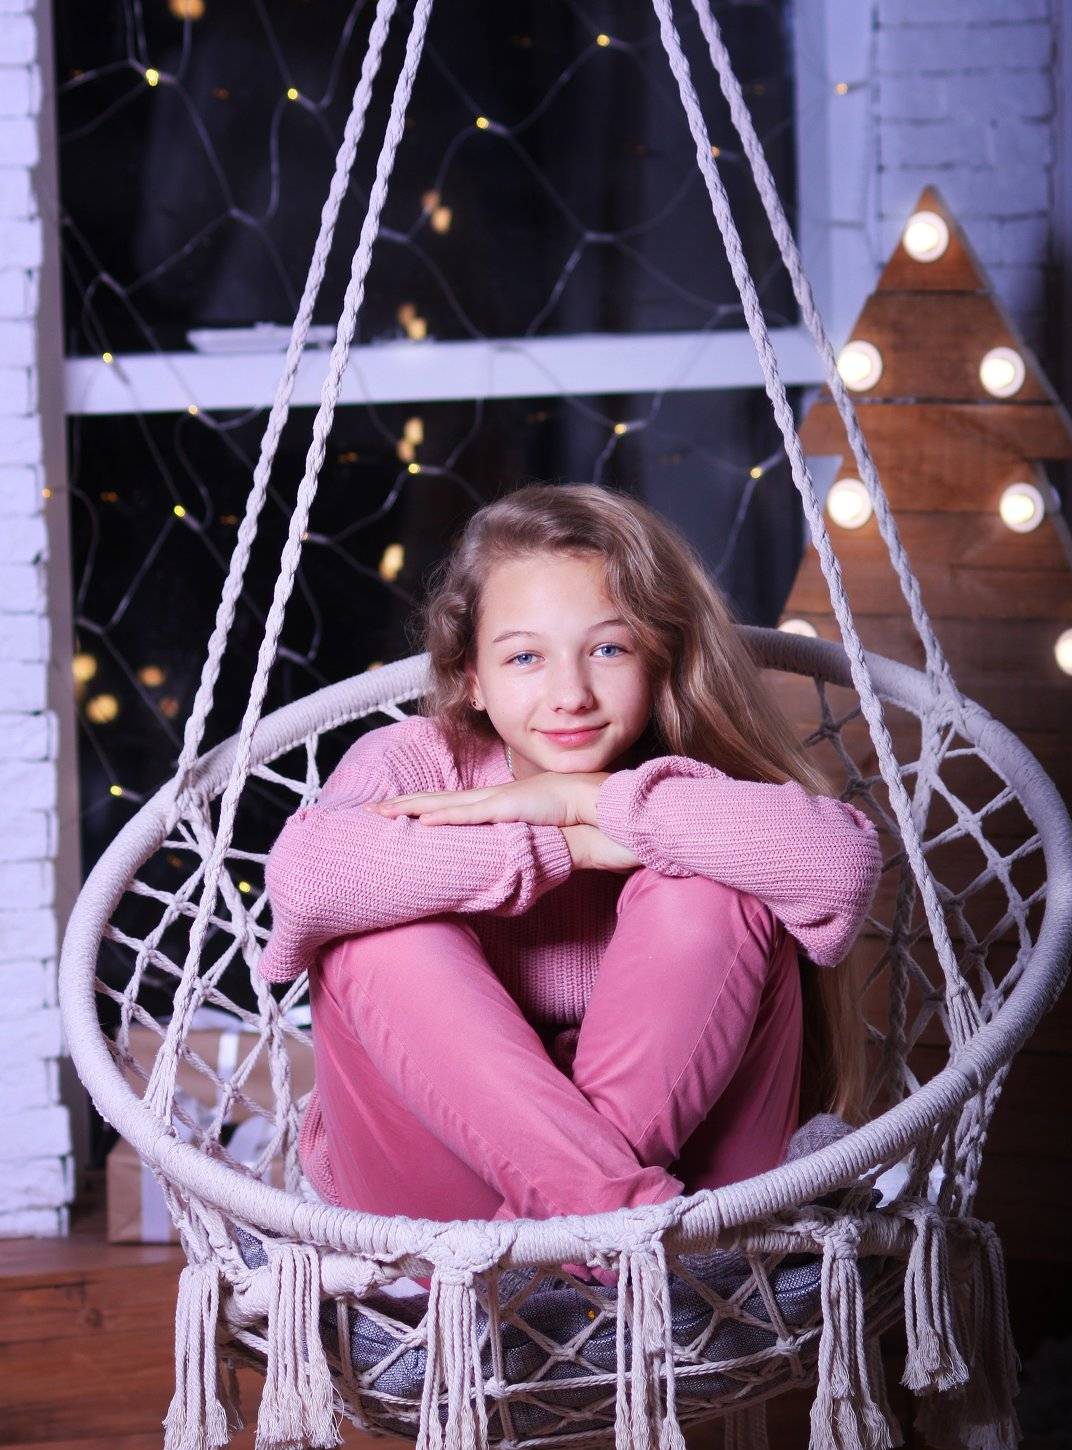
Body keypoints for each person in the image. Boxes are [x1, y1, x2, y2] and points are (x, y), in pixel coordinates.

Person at [259, 482, 881, 1233]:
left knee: (712, 888)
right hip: (456, 1204)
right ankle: (611, 1230)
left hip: (697, 1173)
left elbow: (839, 864)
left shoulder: (687, 782)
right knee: (377, 937)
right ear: (472, 679)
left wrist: (589, 800)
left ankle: (566, 1242)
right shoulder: (418, 760)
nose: (570, 694)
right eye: (525, 657)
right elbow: (306, 880)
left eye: (608, 649)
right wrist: (560, 845)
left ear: (657, 658)